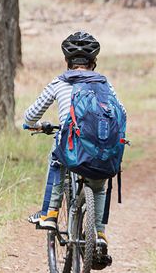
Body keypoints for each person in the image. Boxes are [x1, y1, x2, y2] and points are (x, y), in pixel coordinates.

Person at [24, 31, 126, 256]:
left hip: (71, 148)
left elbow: (31, 114)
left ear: (67, 61)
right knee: (98, 187)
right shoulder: (104, 84)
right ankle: (99, 234)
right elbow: (122, 112)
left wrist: (35, 124)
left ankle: (50, 214)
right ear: (94, 62)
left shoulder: (59, 82)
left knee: (56, 156)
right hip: (99, 148)